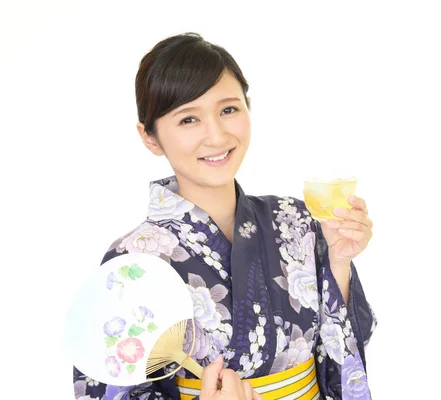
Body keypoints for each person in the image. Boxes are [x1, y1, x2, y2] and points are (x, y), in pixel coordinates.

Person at [72, 32, 377, 400]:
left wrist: (339, 262)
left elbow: (343, 350)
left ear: (248, 107)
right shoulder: (132, 262)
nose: (216, 136)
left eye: (229, 109)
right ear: (150, 137)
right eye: (188, 119)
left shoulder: (295, 219)